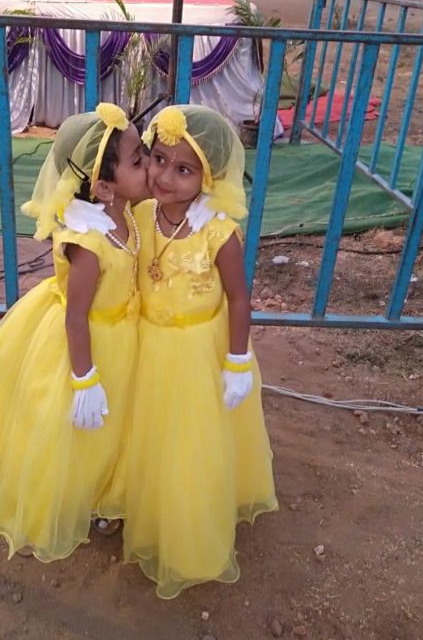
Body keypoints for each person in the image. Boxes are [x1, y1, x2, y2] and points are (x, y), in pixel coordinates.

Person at [0, 103, 148, 561]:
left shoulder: (127, 212)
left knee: (115, 427)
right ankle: (67, 498)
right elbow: (76, 317)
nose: (150, 169)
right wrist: (84, 378)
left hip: (123, 336)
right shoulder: (89, 244)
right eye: (139, 161)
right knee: (72, 430)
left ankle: (107, 491)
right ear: (104, 187)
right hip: (87, 346)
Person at [118, 104, 278, 599]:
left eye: (185, 170)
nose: (166, 177)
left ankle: (189, 521)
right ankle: (142, 500)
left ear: (209, 177)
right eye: (159, 160)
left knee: (191, 438)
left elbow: (238, 298)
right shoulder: (138, 214)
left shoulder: (217, 231)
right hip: (146, 343)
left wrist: (236, 361)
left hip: (197, 352)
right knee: (146, 431)